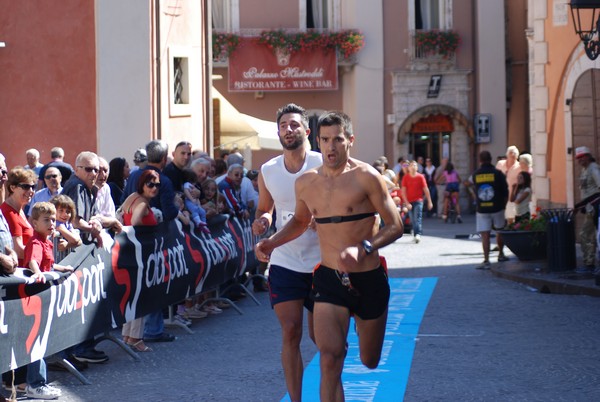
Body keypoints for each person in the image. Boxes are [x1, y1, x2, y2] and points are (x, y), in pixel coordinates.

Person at [255, 111, 403, 401]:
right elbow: (298, 222)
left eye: (337, 139)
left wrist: (365, 248)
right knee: (330, 358)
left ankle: (363, 321)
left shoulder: (366, 177)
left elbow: (396, 225)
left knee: (369, 360)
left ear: (350, 140)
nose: (331, 147)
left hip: (368, 277)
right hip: (329, 278)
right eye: (325, 140)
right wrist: (271, 243)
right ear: (318, 142)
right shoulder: (307, 183)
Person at [251, 103, 323, 401]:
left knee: (322, 339)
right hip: (285, 259)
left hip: (323, 261)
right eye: (283, 126)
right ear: (278, 131)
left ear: (306, 131)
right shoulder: (268, 170)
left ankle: (330, 390)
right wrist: (263, 221)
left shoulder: (322, 163)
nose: (288, 130)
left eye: (294, 125)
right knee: (291, 331)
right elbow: (266, 208)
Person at [120, 140, 177, 343]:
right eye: (151, 185)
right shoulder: (143, 203)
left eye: (157, 185)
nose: (155, 188)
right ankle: (139, 336)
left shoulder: (134, 192)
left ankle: (130, 336)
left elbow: (121, 214)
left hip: (137, 250)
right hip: (143, 251)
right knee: (142, 294)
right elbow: (133, 225)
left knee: (136, 295)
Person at [471, 150, 509, 270]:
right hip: (497, 207)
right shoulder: (497, 173)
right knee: (500, 231)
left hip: (482, 209)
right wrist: (505, 205)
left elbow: (472, 187)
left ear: (480, 160)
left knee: (485, 235)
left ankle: (486, 260)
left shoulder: (476, 174)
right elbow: (505, 191)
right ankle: (501, 254)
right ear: (491, 159)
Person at [25, 202, 73, 282]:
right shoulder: (36, 242)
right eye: (46, 220)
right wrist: (38, 273)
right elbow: (32, 261)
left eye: (53, 220)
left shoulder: (47, 242)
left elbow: (50, 265)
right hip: (35, 287)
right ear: (35, 223)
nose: (51, 223)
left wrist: (63, 268)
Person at [0, 168, 37, 266]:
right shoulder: (9, 213)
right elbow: (18, 250)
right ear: (12, 188)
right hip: (18, 274)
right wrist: (41, 254)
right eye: (25, 186)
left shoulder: (19, 210)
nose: (31, 191)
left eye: (33, 187)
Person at [575, 146, 600, 273]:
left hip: (594, 207)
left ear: (588, 156)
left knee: (585, 234)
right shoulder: (585, 170)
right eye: (578, 158)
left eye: (582, 157)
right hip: (589, 207)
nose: (580, 160)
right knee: (589, 235)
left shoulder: (593, 168)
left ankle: (589, 263)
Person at [401, 160, 433, 243]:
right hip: (409, 201)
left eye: (415, 165)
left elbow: (425, 189)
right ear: (409, 167)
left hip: (418, 200)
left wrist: (429, 201)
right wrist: (406, 203)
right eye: (411, 165)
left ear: (417, 168)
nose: (413, 167)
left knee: (417, 218)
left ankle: (417, 234)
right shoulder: (406, 177)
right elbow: (403, 191)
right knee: (412, 219)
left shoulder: (420, 177)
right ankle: (416, 234)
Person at [49, 194, 82, 263]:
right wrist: (61, 229)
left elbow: (79, 241)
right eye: (61, 210)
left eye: (68, 212)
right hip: (52, 260)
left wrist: (67, 245)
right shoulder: (55, 224)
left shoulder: (67, 224)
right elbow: (75, 240)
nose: (65, 214)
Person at [496, 146, 521, 224]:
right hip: (500, 195)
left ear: (517, 156)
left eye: (514, 154)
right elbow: (495, 177)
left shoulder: (519, 166)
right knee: (500, 219)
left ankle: (509, 233)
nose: (512, 155)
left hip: (512, 196)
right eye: (510, 153)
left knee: (510, 218)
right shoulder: (500, 164)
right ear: (507, 154)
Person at [181, 168, 210, 234]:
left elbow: (197, 197)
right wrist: (192, 199)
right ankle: (198, 222)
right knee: (194, 210)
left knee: (202, 212)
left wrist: (198, 203)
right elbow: (186, 191)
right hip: (189, 201)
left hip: (195, 202)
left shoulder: (193, 186)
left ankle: (204, 224)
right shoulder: (187, 184)